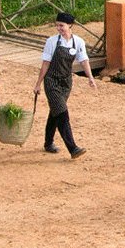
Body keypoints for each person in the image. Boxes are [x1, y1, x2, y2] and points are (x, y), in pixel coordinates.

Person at [34, 11, 97, 158]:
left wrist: (90, 77)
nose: (59, 28)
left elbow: (84, 61)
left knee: (55, 112)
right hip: (51, 81)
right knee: (62, 113)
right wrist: (38, 84)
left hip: (66, 82)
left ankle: (48, 143)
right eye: (57, 25)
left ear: (70, 25)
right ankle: (73, 148)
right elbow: (45, 64)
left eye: (61, 25)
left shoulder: (78, 42)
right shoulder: (51, 42)